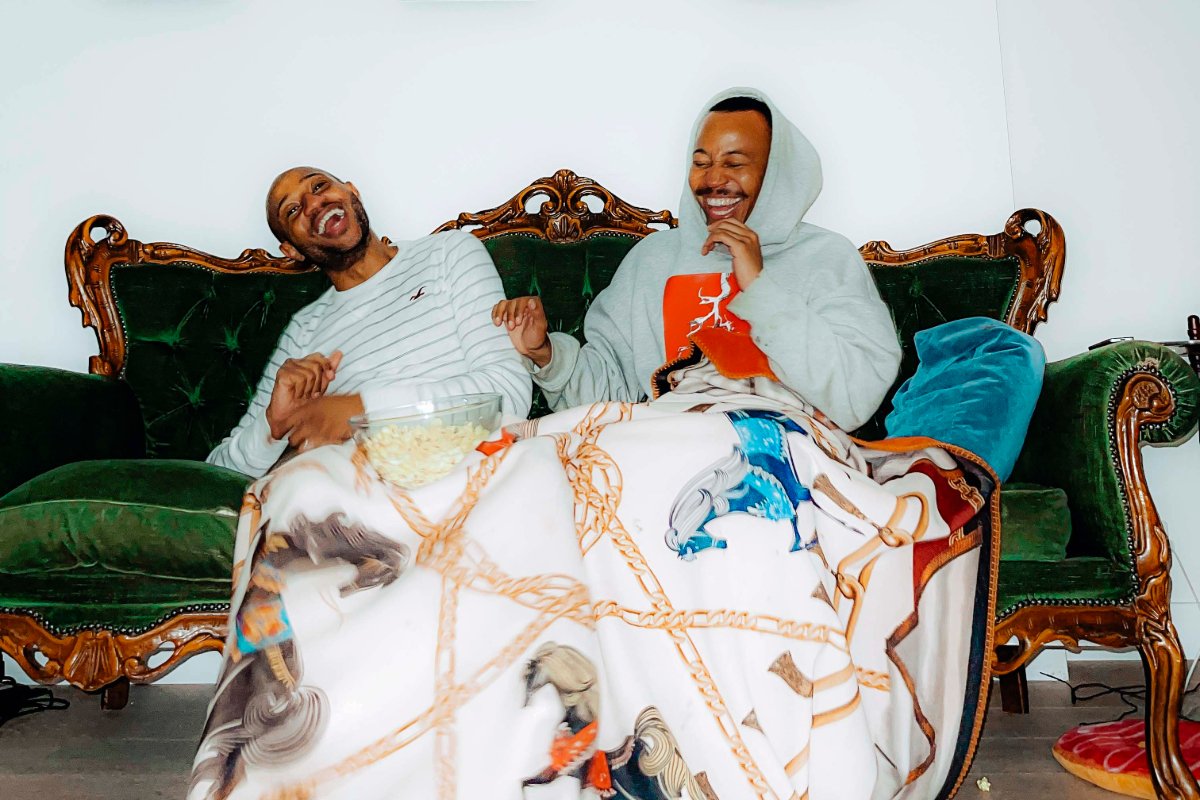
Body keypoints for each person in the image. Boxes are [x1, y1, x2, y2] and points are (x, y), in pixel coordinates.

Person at [493, 88, 901, 431]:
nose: (712, 180)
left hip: (783, 457)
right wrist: (545, 353)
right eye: (701, 162)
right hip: (662, 452)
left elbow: (855, 397)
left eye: (734, 163)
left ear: (776, 173)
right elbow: (610, 398)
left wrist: (758, 285)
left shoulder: (827, 258)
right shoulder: (652, 259)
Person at [208, 167, 531, 477]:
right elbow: (219, 474)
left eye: (319, 186)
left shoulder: (448, 252)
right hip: (354, 486)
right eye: (293, 210)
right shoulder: (304, 330)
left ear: (352, 191)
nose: (313, 204)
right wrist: (273, 424)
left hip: (472, 461)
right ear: (292, 250)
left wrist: (361, 410)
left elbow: (508, 392)